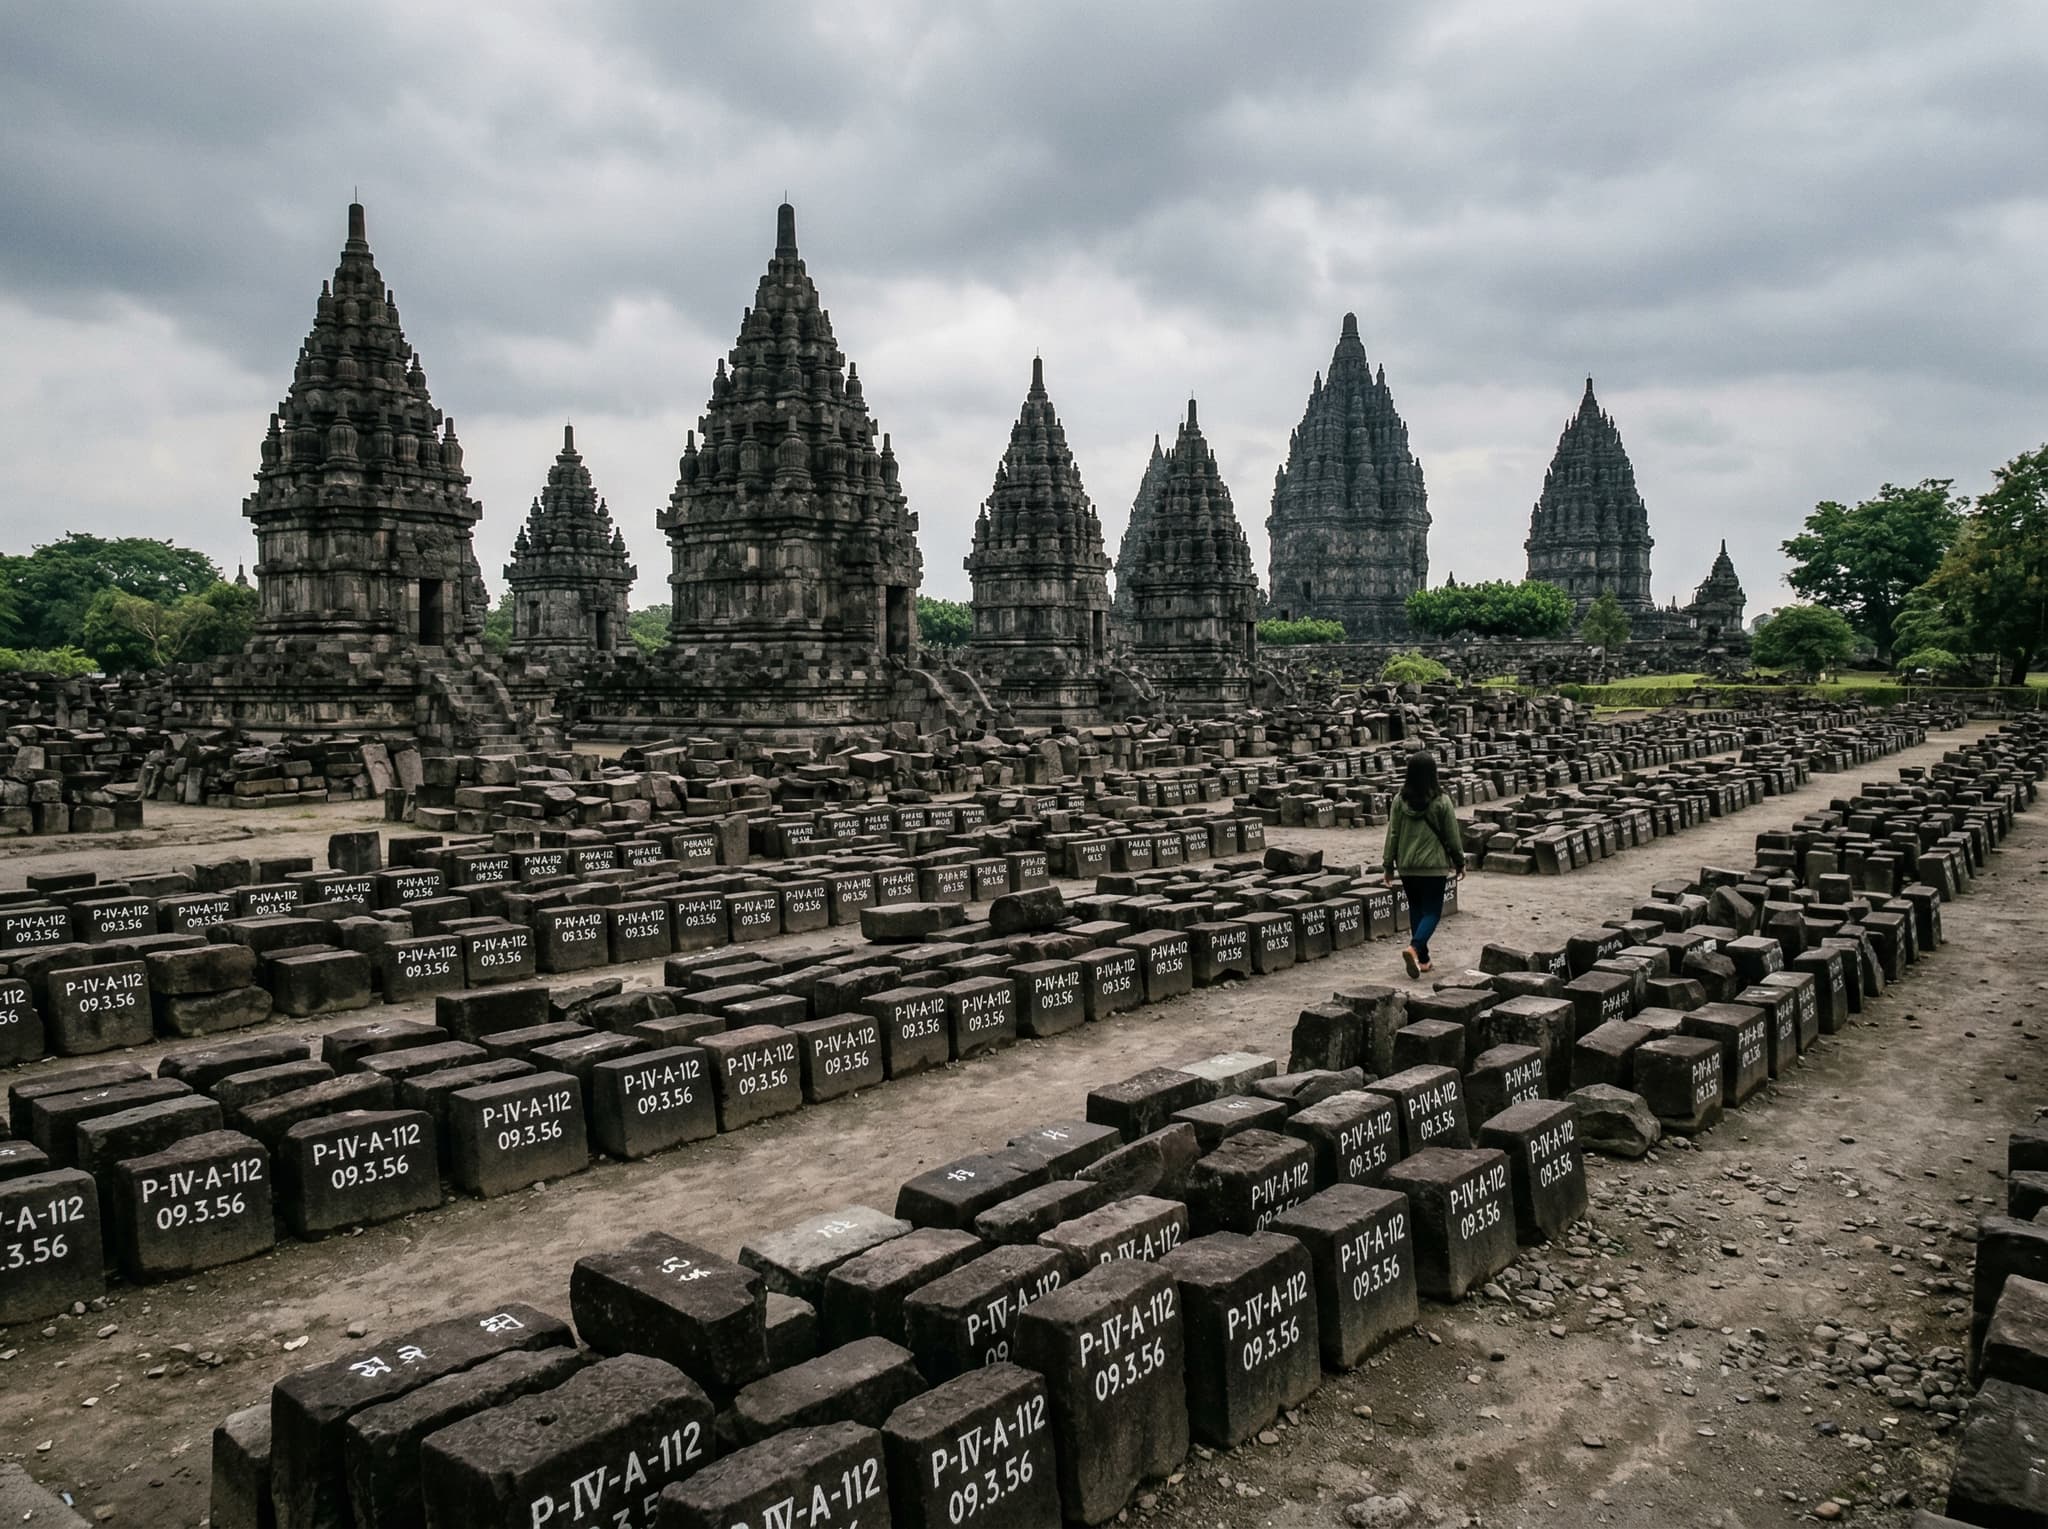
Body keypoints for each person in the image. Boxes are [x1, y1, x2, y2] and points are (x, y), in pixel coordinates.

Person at [1381, 750, 1464, 979]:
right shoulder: (1442, 800)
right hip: (1434, 866)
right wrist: (1460, 862)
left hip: (1407, 866)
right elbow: (1452, 835)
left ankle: (1424, 960)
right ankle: (1415, 947)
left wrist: (1388, 866)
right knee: (1433, 912)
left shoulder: (1399, 800)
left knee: (1416, 910)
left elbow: (1393, 834)